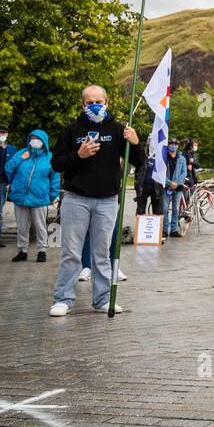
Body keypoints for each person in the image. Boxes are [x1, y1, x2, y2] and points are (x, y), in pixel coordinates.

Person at [48, 85, 141, 317]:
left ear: (107, 102)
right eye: (90, 103)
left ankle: (102, 299)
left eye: (99, 101)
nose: (95, 105)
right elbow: (56, 163)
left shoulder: (120, 130)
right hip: (76, 198)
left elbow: (139, 162)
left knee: (102, 253)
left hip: (107, 201)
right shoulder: (71, 131)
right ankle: (63, 299)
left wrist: (136, 142)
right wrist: (78, 156)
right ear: (83, 105)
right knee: (71, 252)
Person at [5, 129, 59, 262]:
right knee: (22, 227)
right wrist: (19, 158)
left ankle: (42, 251)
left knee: (40, 226)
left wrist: (54, 195)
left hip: (39, 198)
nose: (34, 141)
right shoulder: (22, 153)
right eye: (32, 138)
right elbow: (8, 169)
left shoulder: (50, 157)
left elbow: (55, 178)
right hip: (20, 197)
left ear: (44, 141)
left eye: (38, 138)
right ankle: (22, 251)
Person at [162, 138, 187, 237]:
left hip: (178, 187)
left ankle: (173, 230)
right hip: (166, 187)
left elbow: (183, 173)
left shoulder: (182, 158)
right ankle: (164, 229)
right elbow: (161, 172)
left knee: (176, 209)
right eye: (171, 143)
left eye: (175, 144)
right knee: (165, 209)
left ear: (178, 146)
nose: (173, 145)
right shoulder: (164, 157)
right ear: (168, 145)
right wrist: (169, 183)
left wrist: (176, 183)